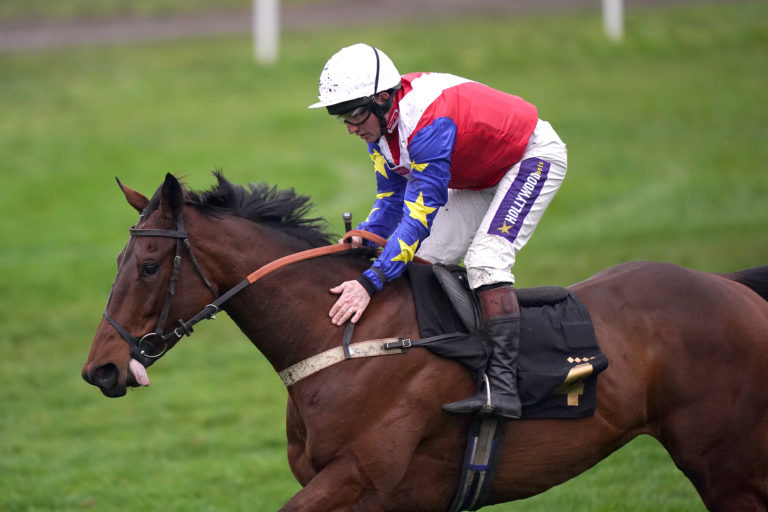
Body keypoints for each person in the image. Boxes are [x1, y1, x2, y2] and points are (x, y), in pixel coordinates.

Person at [309, 43, 567, 420]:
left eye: (354, 114)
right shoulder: (381, 128)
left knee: (485, 260)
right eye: (340, 116)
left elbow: (418, 215)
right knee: (425, 261)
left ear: (382, 99)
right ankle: (458, 361)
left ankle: (504, 385)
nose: (350, 127)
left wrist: (370, 280)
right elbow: (391, 198)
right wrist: (365, 234)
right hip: (477, 175)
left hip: (530, 158)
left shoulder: (427, 123)